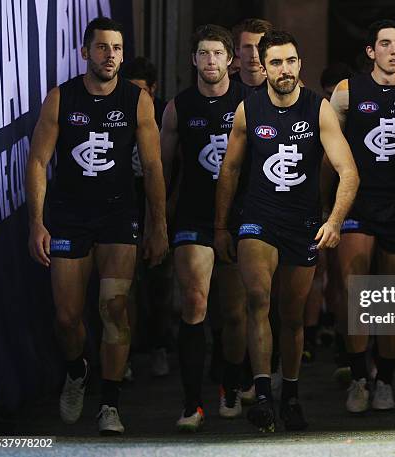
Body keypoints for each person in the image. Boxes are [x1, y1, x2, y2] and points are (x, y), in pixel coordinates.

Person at [26, 17, 168, 435]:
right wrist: (37, 221)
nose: (111, 56)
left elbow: (155, 164)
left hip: (118, 215)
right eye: (103, 48)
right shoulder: (61, 98)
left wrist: (158, 223)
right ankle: (76, 370)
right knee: (68, 317)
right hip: (69, 214)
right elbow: (37, 161)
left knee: (114, 309)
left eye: (118, 49)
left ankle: (109, 402)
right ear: (85, 52)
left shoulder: (136, 100)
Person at [214, 30, 359, 432]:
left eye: (290, 61)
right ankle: (262, 395)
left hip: (304, 222)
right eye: (275, 62)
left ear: (299, 64)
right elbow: (230, 169)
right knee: (257, 298)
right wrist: (220, 226)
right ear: (263, 66)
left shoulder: (318, 109)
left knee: (292, 315)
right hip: (257, 216)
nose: (284, 70)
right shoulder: (249, 109)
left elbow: (349, 171)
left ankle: (290, 395)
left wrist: (334, 221)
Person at [328, 19, 395, 413]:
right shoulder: (346, 93)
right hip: (358, 202)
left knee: (389, 302)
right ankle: (359, 377)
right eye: (386, 44)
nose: (394, 50)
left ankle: (385, 381)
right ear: (371, 52)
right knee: (356, 291)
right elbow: (329, 154)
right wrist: (329, 212)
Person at [159, 24, 251, 431]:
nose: (211, 60)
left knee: (233, 313)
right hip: (193, 216)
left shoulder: (250, 102)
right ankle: (191, 403)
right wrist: (156, 221)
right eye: (203, 53)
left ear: (230, 60)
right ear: (193, 59)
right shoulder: (178, 107)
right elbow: (160, 169)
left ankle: (230, 384)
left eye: (218, 53)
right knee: (195, 303)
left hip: (236, 219)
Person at [120, 56, 171, 380]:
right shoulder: (116, 111)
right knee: (124, 283)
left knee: (157, 281)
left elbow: (173, 163)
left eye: (143, 90)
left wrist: (164, 216)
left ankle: (160, 346)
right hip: (124, 198)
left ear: (153, 89)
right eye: (132, 90)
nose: (137, 96)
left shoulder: (166, 112)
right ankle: (124, 355)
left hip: (158, 198)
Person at [230, 18, 273, 88]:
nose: (254, 54)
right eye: (248, 47)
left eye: (259, 47)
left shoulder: (279, 86)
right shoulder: (225, 87)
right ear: (237, 50)